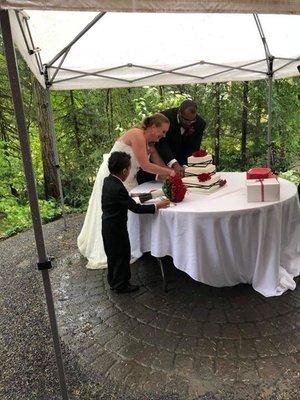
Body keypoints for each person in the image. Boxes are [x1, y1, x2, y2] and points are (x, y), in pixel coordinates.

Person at [77, 113, 175, 269]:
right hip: (114, 178)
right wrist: (170, 172)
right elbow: (145, 165)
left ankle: (137, 244)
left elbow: (156, 162)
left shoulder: (148, 142)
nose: (163, 136)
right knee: (117, 214)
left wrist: (167, 171)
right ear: (153, 126)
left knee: (130, 213)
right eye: (162, 131)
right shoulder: (137, 134)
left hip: (128, 180)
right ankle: (116, 249)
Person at [102, 152, 170, 293]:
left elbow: (125, 197)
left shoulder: (109, 181)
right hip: (117, 229)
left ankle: (113, 281)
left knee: (112, 256)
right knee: (122, 255)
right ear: (125, 171)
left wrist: (144, 195)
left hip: (107, 227)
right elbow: (136, 208)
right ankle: (121, 285)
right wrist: (157, 206)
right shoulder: (118, 188)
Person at [137, 99, 206, 183]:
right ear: (179, 112)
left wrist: (185, 167)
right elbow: (161, 143)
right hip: (160, 161)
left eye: (192, 121)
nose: (189, 123)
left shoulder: (200, 124)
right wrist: (174, 164)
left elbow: (194, 147)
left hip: (180, 165)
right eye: (185, 120)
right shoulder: (165, 117)